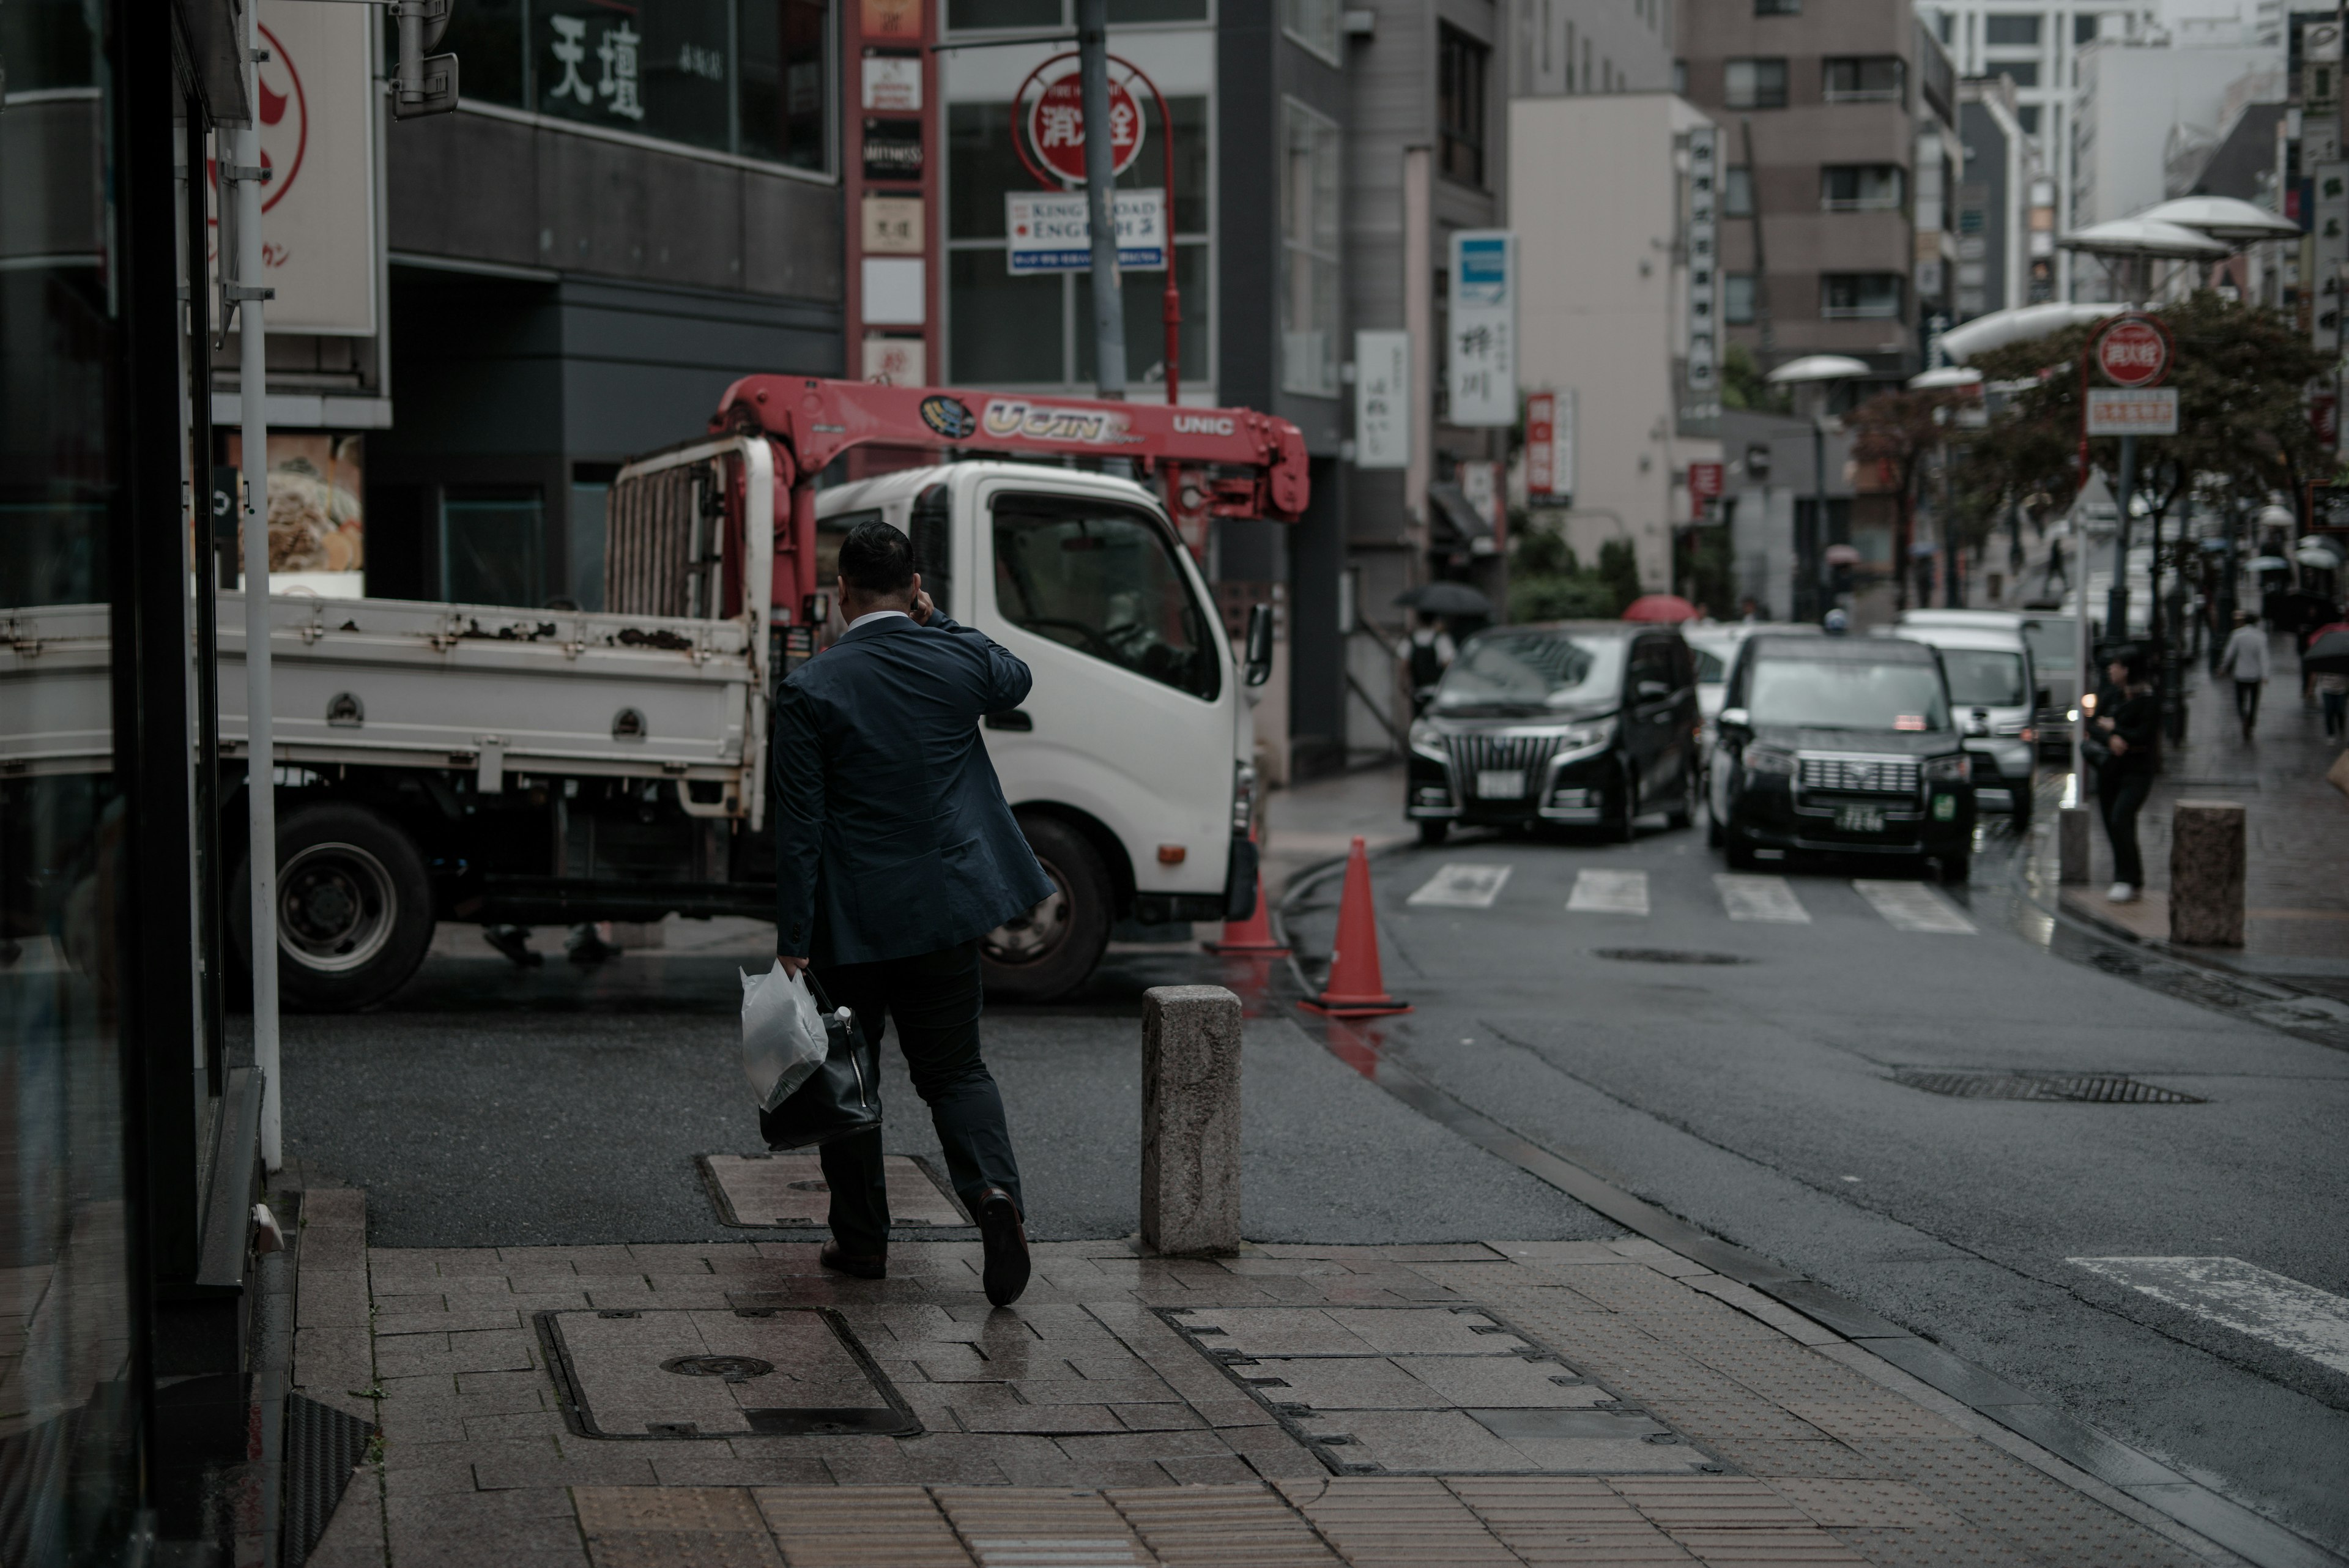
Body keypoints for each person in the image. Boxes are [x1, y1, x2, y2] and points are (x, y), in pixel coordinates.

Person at [771, 519, 1055, 1306]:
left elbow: (799, 826)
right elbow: (1015, 675)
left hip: (851, 921)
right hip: (944, 910)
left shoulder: (812, 687)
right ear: (915, 587)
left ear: (841, 591)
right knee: (956, 1069)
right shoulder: (955, 659)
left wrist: (793, 939)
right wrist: (941, 620)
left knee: (849, 1080)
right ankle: (995, 1197)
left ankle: (862, 1244)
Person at [2087, 650, 2158, 903]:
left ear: (2127, 669)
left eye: (2116, 666)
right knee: (2112, 823)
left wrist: (2115, 729)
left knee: (2121, 818)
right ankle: (2130, 877)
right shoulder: (2112, 696)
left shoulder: (2147, 699)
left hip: (2137, 771)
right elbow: (2093, 725)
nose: (2110, 670)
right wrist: (2110, 738)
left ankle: (2126, 879)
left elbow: (2144, 735)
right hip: (2110, 770)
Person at [2216, 609, 2269, 739]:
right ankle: (2251, 721)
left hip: (2240, 674)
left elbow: (2229, 654)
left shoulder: (2237, 635)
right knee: (2254, 701)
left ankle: (2243, 717)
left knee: (2240, 700)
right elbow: (2264, 657)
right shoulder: (2260, 636)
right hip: (2255, 674)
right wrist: (2265, 675)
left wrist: (2222, 668)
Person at [1407, 611, 1457, 694]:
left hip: (1417, 688)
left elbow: (1405, 664)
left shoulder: (1411, 639)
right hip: (1437, 689)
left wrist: (1404, 683)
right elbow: (1447, 664)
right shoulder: (1441, 639)